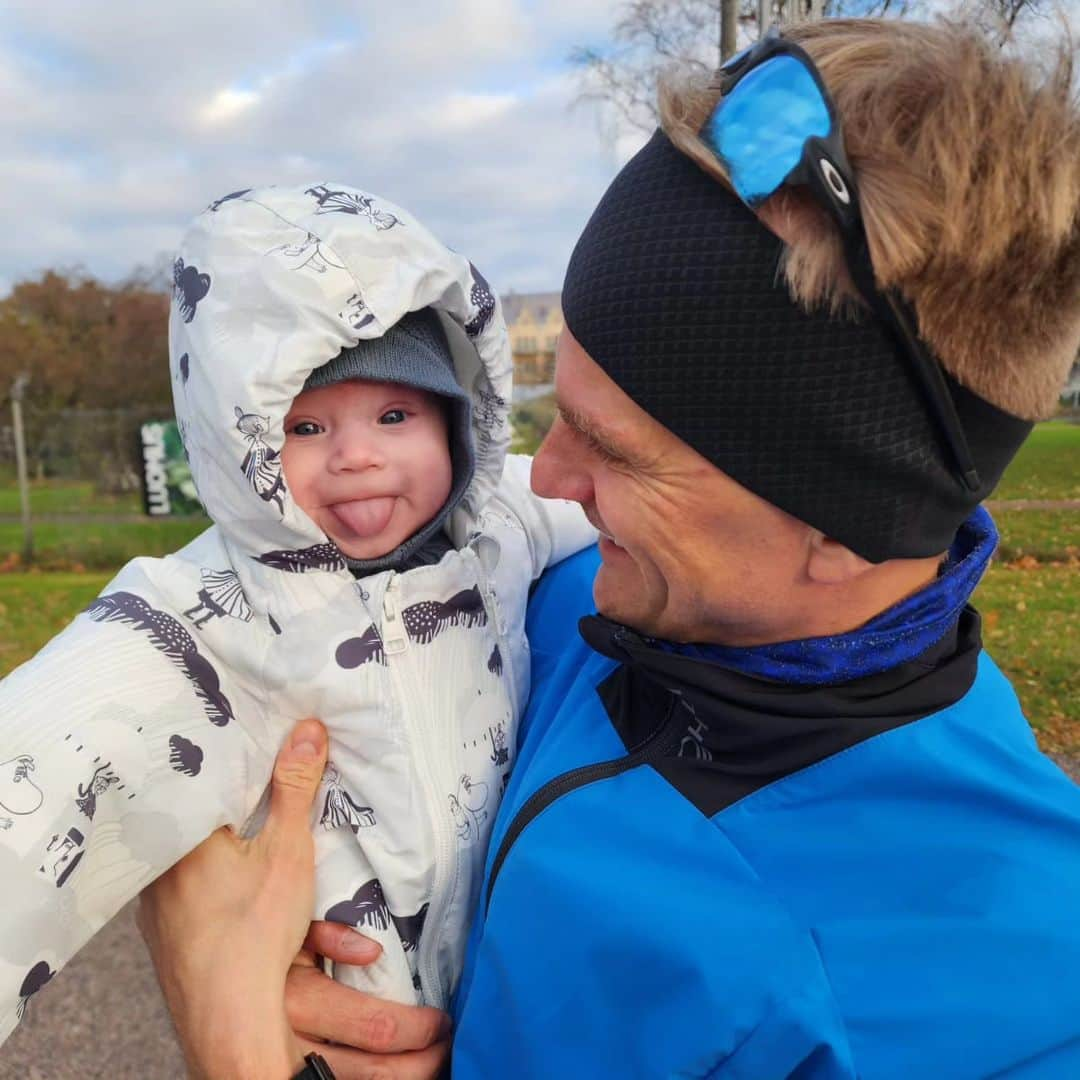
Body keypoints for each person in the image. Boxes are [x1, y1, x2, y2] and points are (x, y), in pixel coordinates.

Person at [142, 16, 1080, 1080]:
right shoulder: (567, 593)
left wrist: (225, 1027)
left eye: (618, 452)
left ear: (845, 523)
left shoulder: (977, 1019)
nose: (545, 481)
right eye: (561, 407)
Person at [0, 184, 595, 1044]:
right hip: (359, 999)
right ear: (239, 444)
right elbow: (46, 752)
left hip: (513, 982)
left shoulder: (499, 520)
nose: (357, 456)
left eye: (396, 414)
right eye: (306, 427)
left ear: (458, 423)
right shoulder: (209, 608)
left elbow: (634, 510)